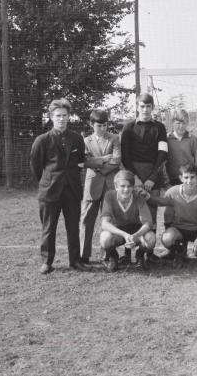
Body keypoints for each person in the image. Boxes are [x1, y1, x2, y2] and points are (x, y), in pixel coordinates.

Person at [30, 98, 88, 274]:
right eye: (58, 116)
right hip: (49, 191)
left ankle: (75, 261)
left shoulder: (77, 139)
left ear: (69, 117)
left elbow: (80, 162)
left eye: (64, 115)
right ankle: (47, 262)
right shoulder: (42, 140)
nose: (61, 119)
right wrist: (49, 181)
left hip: (72, 190)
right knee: (48, 227)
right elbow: (36, 167)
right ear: (51, 117)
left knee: (73, 226)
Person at [120, 93, 168, 260]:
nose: (145, 109)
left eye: (148, 106)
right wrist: (136, 179)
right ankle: (127, 253)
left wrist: (152, 178)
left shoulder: (160, 127)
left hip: (153, 174)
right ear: (137, 107)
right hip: (133, 175)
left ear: (152, 107)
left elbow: (163, 154)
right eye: (142, 106)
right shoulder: (128, 127)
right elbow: (125, 156)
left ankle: (147, 252)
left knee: (152, 213)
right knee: (132, 214)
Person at [154, 164, 197, 268]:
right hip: (179, 229)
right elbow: (166, 212)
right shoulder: (172, 192)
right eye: (186, 177)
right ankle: (179, 252)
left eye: (192, 177)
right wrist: (170, 235)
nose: (189, 181)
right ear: (180, 178)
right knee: (166, 238)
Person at [79, 109, 120, 264]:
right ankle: (84, 255)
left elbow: (116, 160)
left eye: (105, 125)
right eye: (99, 126)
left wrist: (97, 164)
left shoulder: (115, 138)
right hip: (92, 186)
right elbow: (85, 162)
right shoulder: (85, 141)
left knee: (109, 221)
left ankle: (108, 254)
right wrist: (103, 159)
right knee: (86, 220)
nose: (102, 129)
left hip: (110, 185)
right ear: (91, 124)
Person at [99, 170, 157, 272]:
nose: (126, 189)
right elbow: (104, 224)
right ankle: (113, 257)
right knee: (105, 238)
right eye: (122, 186)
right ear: (116, 186)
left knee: (151, 238)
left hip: (136, 230)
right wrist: (125, 235)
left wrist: (135, 235)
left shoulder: (139, 197)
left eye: (129, 186)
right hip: (119, 232)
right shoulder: (109, 196)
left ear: (133, 187)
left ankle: (139, 256)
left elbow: (148, 223)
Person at [165, 108, 197, 185]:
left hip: (189, 179)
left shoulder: (192, 139)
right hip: (172, 180)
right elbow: (163, 162)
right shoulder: (167, 139)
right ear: (172, 123)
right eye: (178, 123)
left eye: (184, 123)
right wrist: (165, 181)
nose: (181, 126)